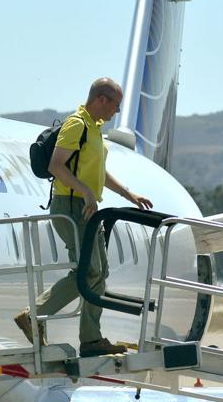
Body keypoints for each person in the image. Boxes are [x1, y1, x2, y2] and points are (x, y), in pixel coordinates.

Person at [13, 78, 153, 358]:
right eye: (115, 105)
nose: (116, 111)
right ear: (102, 99)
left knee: (99, 273)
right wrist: (86, 192)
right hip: (71, 206)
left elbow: (99, 172)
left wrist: (129, 194)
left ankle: (91, 339)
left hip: (87, 208)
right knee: (89, 272)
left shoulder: (94, 129)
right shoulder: (76, 125)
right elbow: (56, 165)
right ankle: (34, 314)